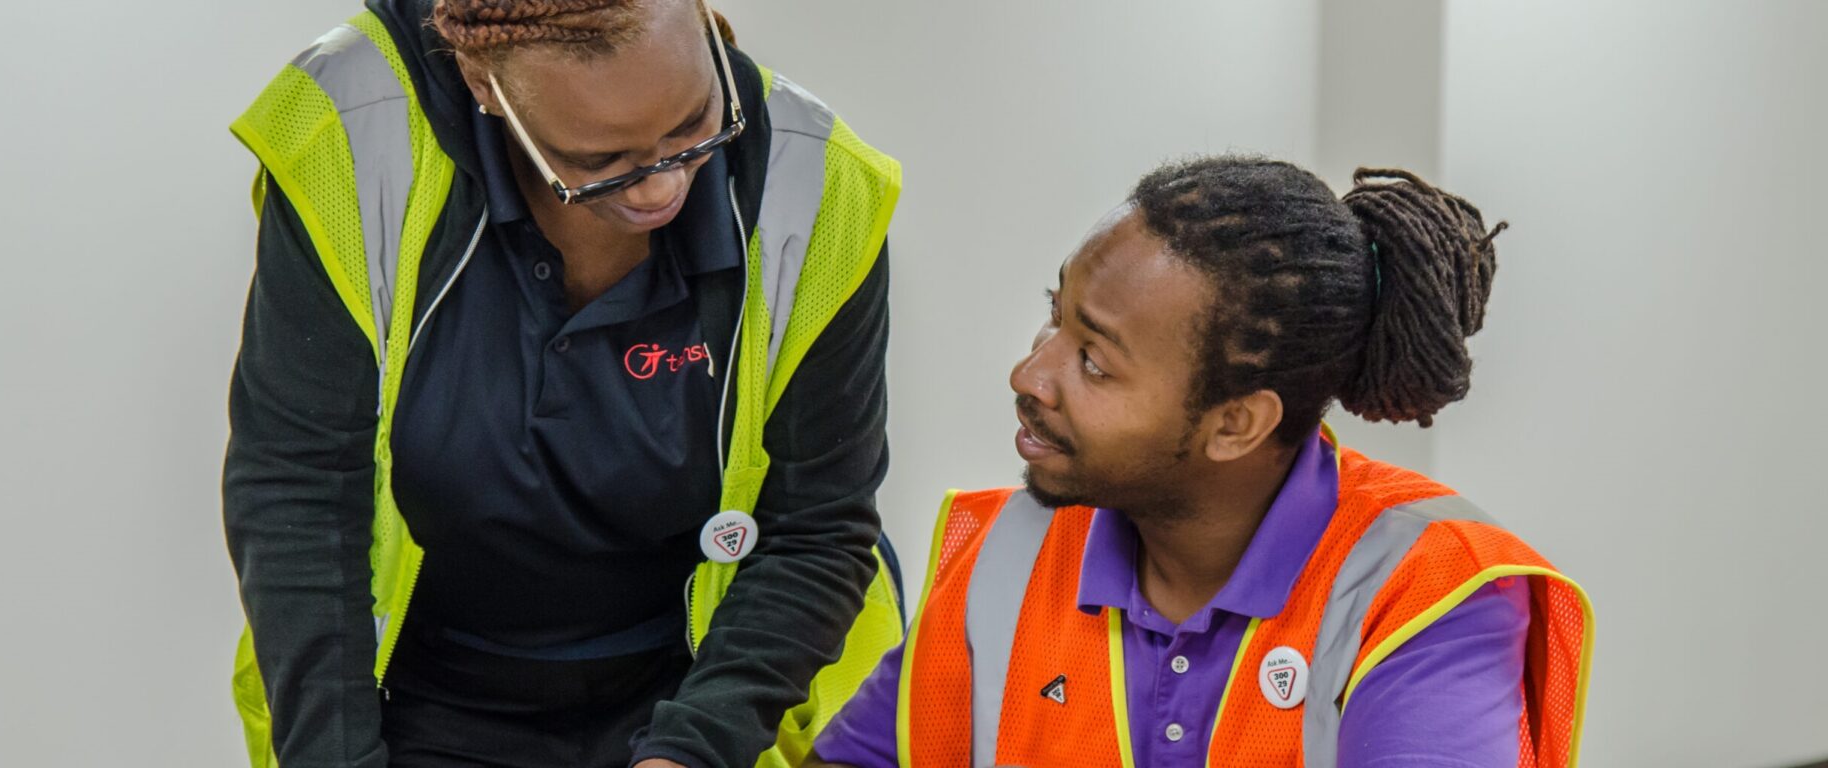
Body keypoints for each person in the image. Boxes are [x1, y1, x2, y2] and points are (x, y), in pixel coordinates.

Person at [222, 1, 905, 766]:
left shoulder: (816, 189)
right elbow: (299, 494)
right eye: (599, 163)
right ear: (485, 82)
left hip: (695, 696)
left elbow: (816, 529)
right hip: (413, 700)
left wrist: (693, 750)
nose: (661, 189)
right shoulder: (353, 132)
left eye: (694, 128)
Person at [807, 158, 1593, 768]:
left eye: (1094, 361)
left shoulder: (1429, 591)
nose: (1030, 375)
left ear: (1236, 424)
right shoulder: (1008, 555)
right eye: (1055, 320)